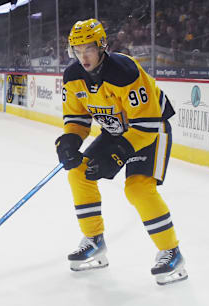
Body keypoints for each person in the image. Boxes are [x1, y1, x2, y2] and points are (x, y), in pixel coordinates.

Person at [55, 19, 187, 285]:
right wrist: (69, 141)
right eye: (77, 50)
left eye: (89, 49)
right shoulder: (72, 77)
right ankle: (94, 240)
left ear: (102, 46)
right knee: (78, 172)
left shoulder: (124, 71)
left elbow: (146, 124)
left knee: (137, 188)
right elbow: (77, 120)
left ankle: (171, 251)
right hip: (117, 132)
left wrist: (116, 154)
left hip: (151, 130)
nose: (83, 56)